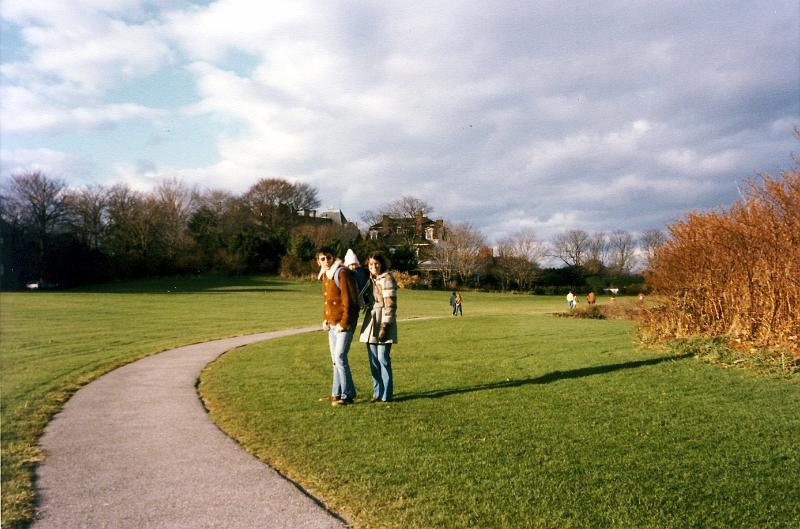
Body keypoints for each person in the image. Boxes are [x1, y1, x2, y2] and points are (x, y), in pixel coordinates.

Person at [317, 246, 359, 406]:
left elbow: (349, 301)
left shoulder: (342, 273)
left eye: (329, 257)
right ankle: (336, 393)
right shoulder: (325, 275)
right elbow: (328, 301)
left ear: (333, 257)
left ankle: (348, 394)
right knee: (335, 360)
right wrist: (326, 320)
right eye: (323, 258)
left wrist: (344, 323)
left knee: (340, 357)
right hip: (333, 323)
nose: (326, 261)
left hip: (344, 323)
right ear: (318, 261)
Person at [360, 252, 397, 403]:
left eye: (376, 263)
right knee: (373, 360)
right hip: (371, 319)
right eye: (370, 264)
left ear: (381, 264)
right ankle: (377, 392)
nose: (373, 266)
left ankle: (386, 395)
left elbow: (391, 305)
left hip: (383, 319)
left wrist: (385, 325)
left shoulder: (387, 279)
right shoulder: (370, 280)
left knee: (383, 358)